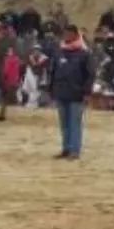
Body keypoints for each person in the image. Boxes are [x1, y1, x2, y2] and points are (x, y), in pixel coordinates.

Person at [48, 25, 95, 160]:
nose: (66, 36)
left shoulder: (84, 54)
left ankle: (75, 150)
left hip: (77, 95)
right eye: (65, 33)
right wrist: (51, 90)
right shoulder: (59, 52)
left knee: (74, 123)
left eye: (69, 34)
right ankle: (66, 149)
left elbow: (90, 75)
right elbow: (53, 72)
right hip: (61, 93)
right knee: (64, 124)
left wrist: (87, 93)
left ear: (75, 35)